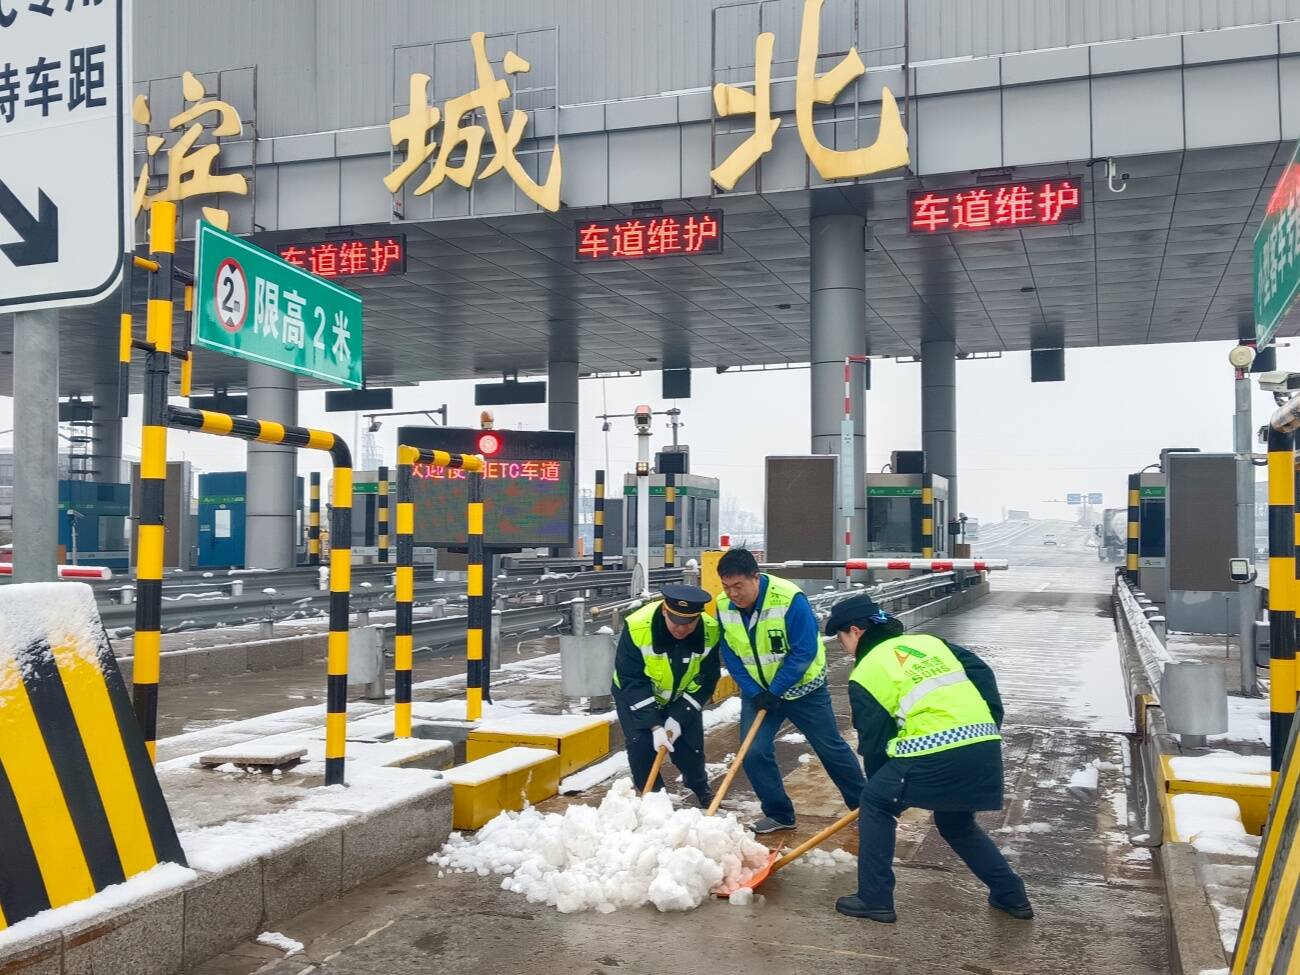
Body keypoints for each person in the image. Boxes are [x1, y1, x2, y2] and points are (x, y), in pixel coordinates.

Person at [824, 592, 1032, 924]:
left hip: (936, 747)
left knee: (875, 802)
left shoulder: (867, 670)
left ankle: (874, 899)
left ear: (856, 631)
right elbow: (981, 672)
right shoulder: (930, 643)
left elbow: (875, 741)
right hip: (983, 744)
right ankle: (1011, 895)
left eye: (841, 638)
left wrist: (881, 789)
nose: (844, 646)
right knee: (956, 823)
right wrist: (986, 725)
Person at [714, 548, 865, 833]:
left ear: (755, 578)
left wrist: (776, 690)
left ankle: (864, 808)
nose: (732, 593)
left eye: (738, 586)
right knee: (754, 752)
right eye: (726, 586)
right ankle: (779, 814)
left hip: (803, 690)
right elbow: (730, 652)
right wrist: (754, 691)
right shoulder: (723, 605)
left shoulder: (789, 599)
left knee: (830, 748)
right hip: (759, 692)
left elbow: (804, 650)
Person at [611, 583, 721, 807]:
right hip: (636, 694)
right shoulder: (638, 627)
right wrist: (654, 725)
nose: (681, 629)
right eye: (676, 621)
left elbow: (707, 678)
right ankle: (655, 798)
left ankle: (700, 787)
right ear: (664, 610)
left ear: (698, 617)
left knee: (691, 749)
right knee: (641, 747)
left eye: (688, 623)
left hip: (680, 696)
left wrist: (679, 716)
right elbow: (631, 678)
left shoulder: (710, 631)